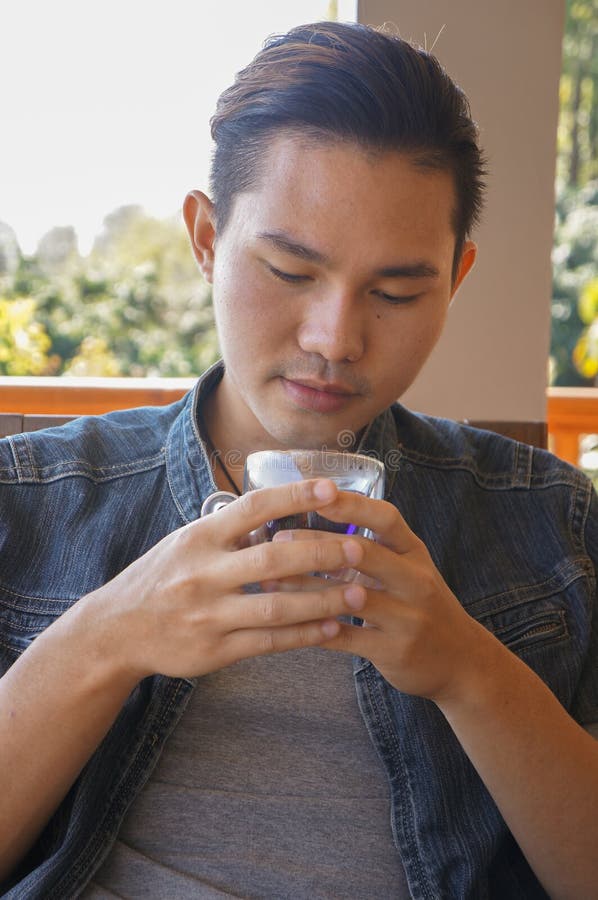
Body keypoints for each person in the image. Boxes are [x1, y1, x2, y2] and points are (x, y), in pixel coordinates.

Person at [0, 19, 597, 900]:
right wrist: (108, 636)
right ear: (206, 239)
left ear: (457, 277)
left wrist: (468, 669)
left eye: (397, 291)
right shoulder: (33, 500)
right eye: (287, 270)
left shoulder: (550, 522)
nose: (335, 339)